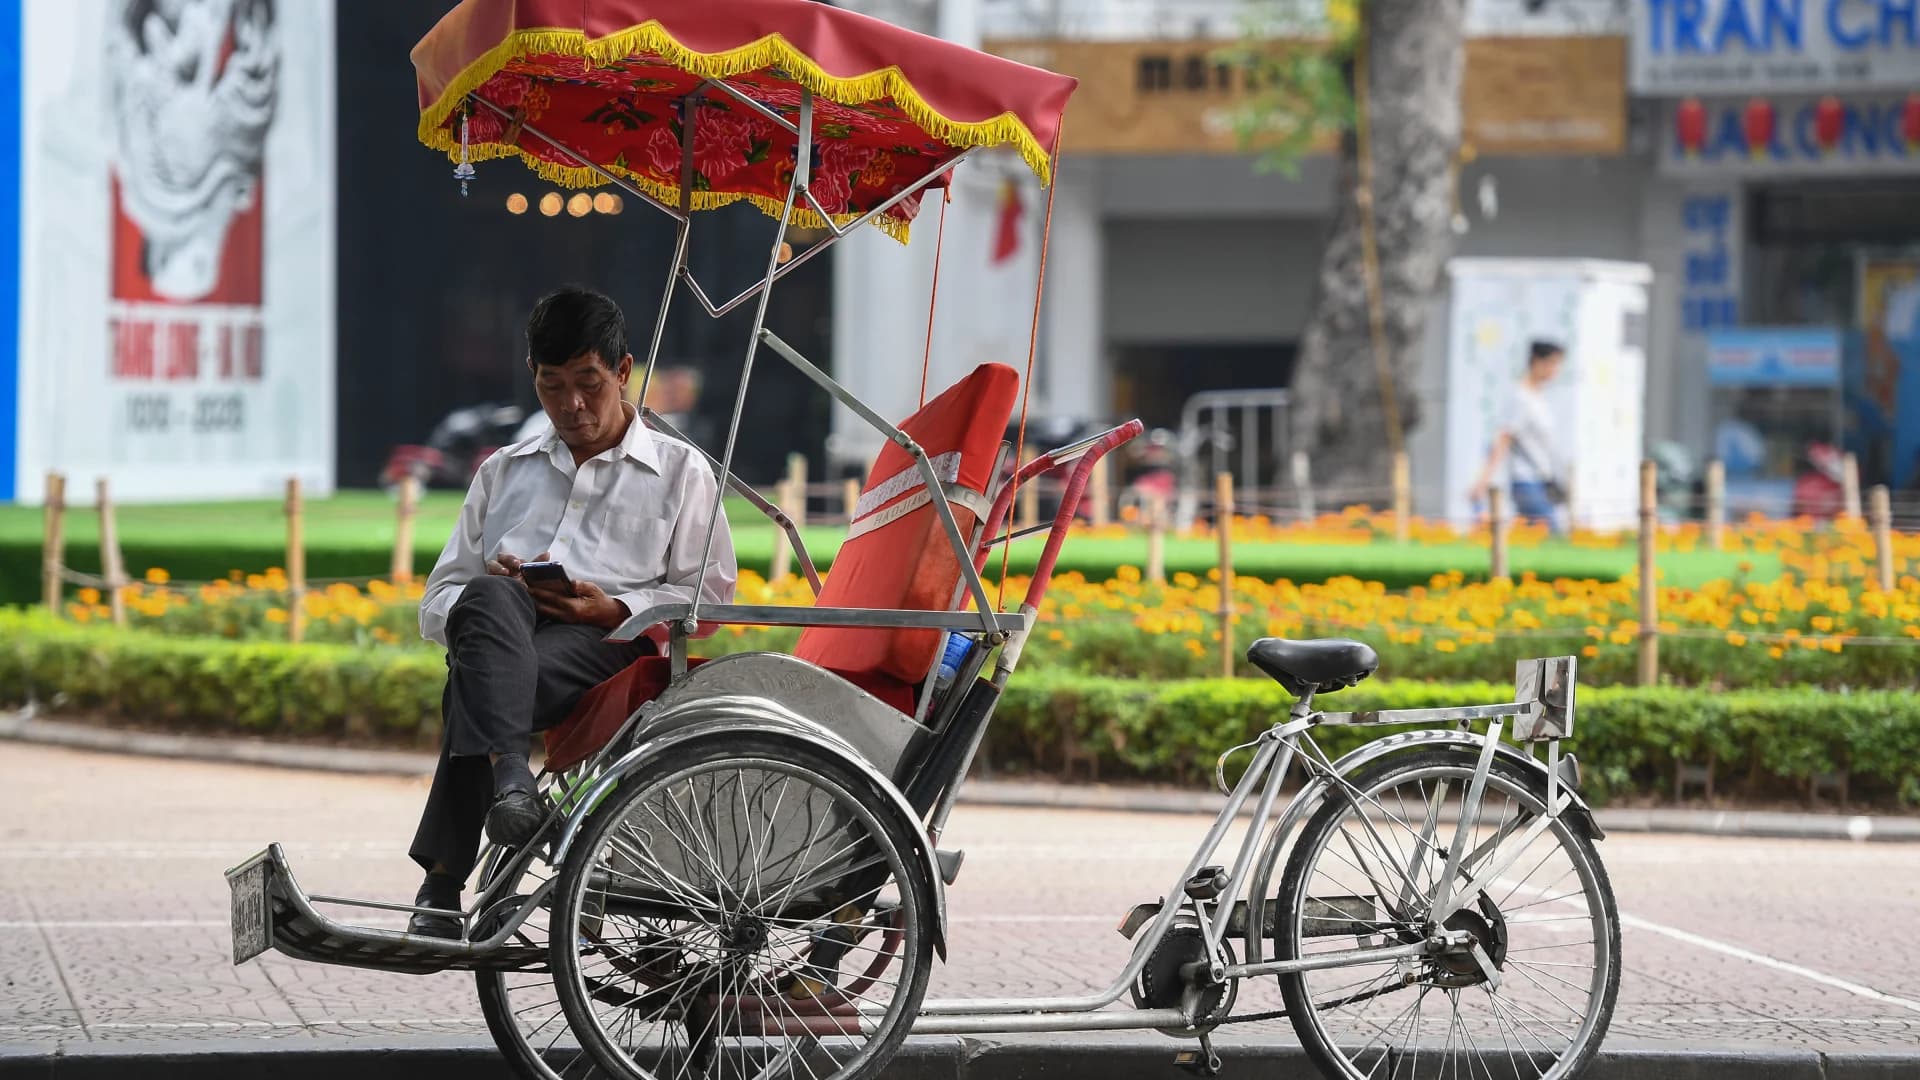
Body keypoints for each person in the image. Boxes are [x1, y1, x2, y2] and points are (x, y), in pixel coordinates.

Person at [406, 286, 736, 938]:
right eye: (552, 386)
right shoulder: (505, 470)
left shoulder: (680, 472)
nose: (572, 405)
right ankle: (511, 785)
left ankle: (444, 880)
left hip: (612, 648)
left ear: (622, 372)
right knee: (490, 594)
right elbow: (438, 600)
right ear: (534, 378)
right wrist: (487, 615)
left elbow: (709, 596)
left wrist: (613, 605)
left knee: (476, 676)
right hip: (511, 640)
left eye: (588, 383)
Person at [1474, 340, 1568, 533]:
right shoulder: (1520, 398)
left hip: (1543, 480)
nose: (1555, 370)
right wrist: (1483, 481)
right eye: (1551, 363)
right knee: (1550, 534)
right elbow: (1504, 438)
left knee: (1541, 537)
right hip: (1526, 480)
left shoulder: (1538, 397)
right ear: (1536, 362)